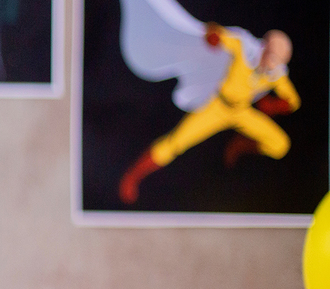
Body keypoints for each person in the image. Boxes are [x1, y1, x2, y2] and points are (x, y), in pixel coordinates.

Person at [119, 25, 299, 204]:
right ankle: (133, 176)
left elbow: (292, 101)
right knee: (176, 143)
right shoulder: (245, 47)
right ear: (265, 49)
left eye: (279, 62)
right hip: (218, 106)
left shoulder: (276, 72)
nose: (274, 65)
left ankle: (239, 146)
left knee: (280, 145)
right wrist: (214, 38)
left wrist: (272, 105)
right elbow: (217, 34)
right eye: (274, 58)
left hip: (241, 111)